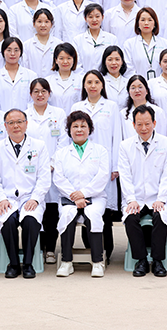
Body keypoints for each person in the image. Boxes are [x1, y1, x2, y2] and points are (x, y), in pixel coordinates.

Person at [0, 108, 50, 279]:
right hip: (7, 198)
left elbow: (44, 177)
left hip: (30, 197)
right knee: (8, 221)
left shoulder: (39, 146)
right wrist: (1, 199)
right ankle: (13, 264)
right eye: (11, 123)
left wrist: (35, 199)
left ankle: (28, 264)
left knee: (30, 220)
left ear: (26, 124)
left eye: (19, 122)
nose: (16, 126)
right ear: (5, 126)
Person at [117, 105, 167, 277]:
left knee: (160, 217)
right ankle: (141, 260)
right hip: (135, 197)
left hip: (159, 196)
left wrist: (161, 199)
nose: (144, 128)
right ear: (133, 125)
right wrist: (131, 199)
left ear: (154, 123)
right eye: (139, 124)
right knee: (131, 218)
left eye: (147, 124)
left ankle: (158, 261)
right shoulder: (125, 146)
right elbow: (125, 176)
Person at [52, 109, 111, 277]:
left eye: (83, 126)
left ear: (89, 129)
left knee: (93, 213)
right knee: (67, 214)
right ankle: (66, 262)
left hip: (95, 196)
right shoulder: (61, 153)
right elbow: (59, 178)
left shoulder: (100, 151)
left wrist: (83, 193)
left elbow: (102, 176)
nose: (79, 130)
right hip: (69, 197)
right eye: (75, 126)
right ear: (69, 130)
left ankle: (97, 262)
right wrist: (75, 196)